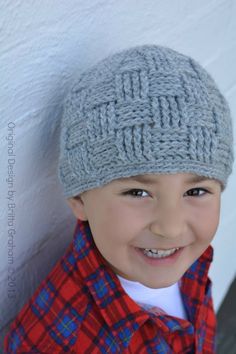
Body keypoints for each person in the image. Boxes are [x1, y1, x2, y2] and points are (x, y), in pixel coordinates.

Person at [4, 44, 234, 353]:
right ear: (79, 199)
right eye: (138, 192)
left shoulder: (187, 261)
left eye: (195, 191)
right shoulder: (57, 340)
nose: (171, 228)